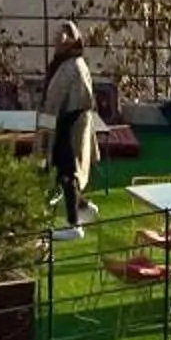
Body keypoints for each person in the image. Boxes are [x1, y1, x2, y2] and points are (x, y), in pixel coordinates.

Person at [35, 21, 99, 229]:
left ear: (73, 39)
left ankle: (74, 224)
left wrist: (43, 132)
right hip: (67, 123)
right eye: (57, 35)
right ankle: (82, 207)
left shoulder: (72, 66)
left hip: (70, 125)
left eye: (63, 35)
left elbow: (53, 102)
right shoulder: (65, 64)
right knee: (64, 172)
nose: (58, 39)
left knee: (67, 173)